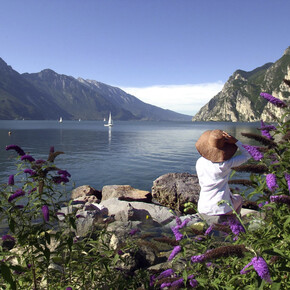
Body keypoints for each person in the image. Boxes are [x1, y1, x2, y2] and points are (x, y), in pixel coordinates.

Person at [195, 129, 251, 216]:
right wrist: (236, 141)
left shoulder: (199, 162)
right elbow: (248, 154)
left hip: (203, 207)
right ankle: (234, 223)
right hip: (222, 209)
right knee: (239, 198)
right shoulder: (226, 164)